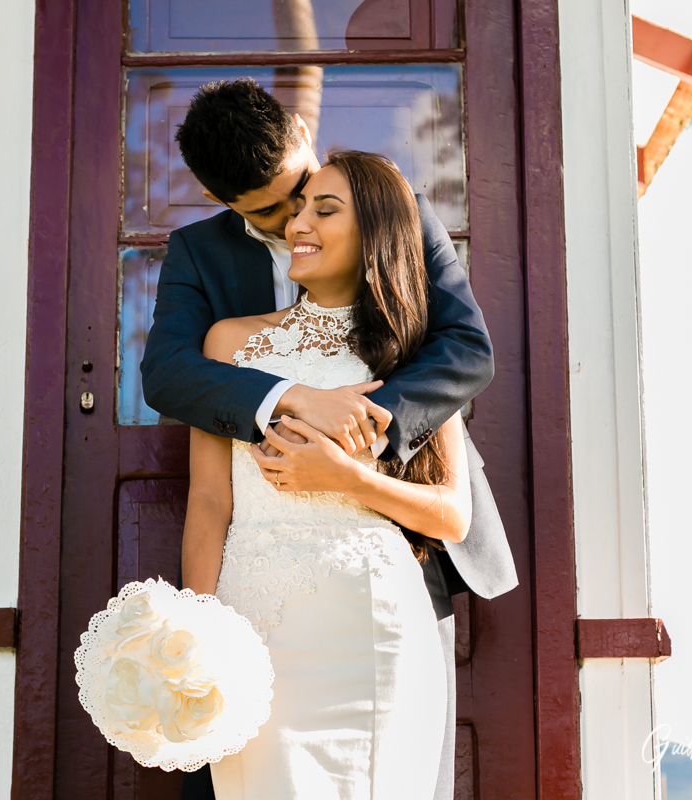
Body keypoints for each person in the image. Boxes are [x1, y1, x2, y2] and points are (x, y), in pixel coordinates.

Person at [140, 79, 518, 800]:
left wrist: (361, 433)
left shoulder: (396, 210)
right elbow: (170, 374)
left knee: (401, 771)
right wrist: (292, 397)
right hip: (258, 574)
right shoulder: (198, 259)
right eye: (272, 211)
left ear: (305, 141)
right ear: (228, 205)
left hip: (401, 551)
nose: (294, 222)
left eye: (305, 193)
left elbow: (465, 350)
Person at [183, 151, 463, 798]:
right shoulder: (229, 343)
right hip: (256, 622)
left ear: (375, 233)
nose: (296, 223)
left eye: (323, 209)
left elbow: (451, 513)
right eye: (298, 208)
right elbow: (207, 502)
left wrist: (347, 478)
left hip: (376, 630)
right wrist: (197, 629)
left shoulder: (417, 351)